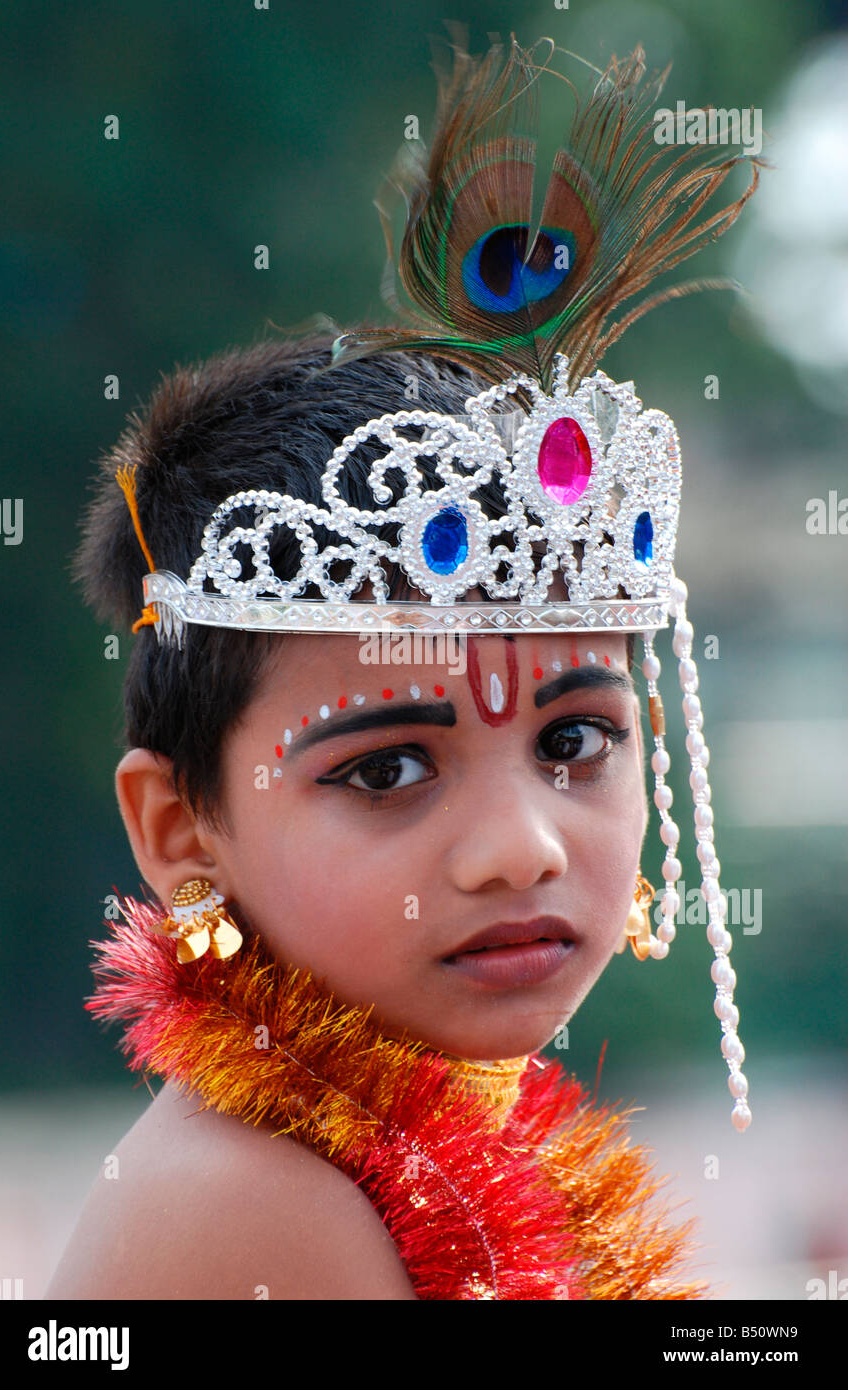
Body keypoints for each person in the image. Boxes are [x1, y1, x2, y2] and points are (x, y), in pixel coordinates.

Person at [46, 34, 759, 1301]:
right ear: (179, 828)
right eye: (386, 767)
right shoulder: (252, 1205)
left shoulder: (424, 1147)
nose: (519, 848)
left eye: (575, 741)